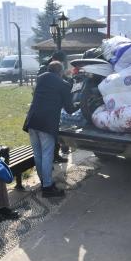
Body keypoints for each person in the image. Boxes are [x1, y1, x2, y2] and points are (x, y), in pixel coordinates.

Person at [24, 61, 79, 197]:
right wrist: (79, 104)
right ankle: (47, 188)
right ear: (60, 72)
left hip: (32, 120)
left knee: (38, 154)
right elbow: (69, 109)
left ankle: (44, 182)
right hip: (46, 123)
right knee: (47, 155)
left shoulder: (41, 78)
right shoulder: (63, 84)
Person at [37, 50, 70, 163]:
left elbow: (63, 79)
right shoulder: (45, 69)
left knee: (55, 130)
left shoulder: (54, 68)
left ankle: (57, 153)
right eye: (62, 62)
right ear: (57, 60)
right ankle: (52, 157)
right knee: (49, 135)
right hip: (46, 104)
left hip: (52, 103)